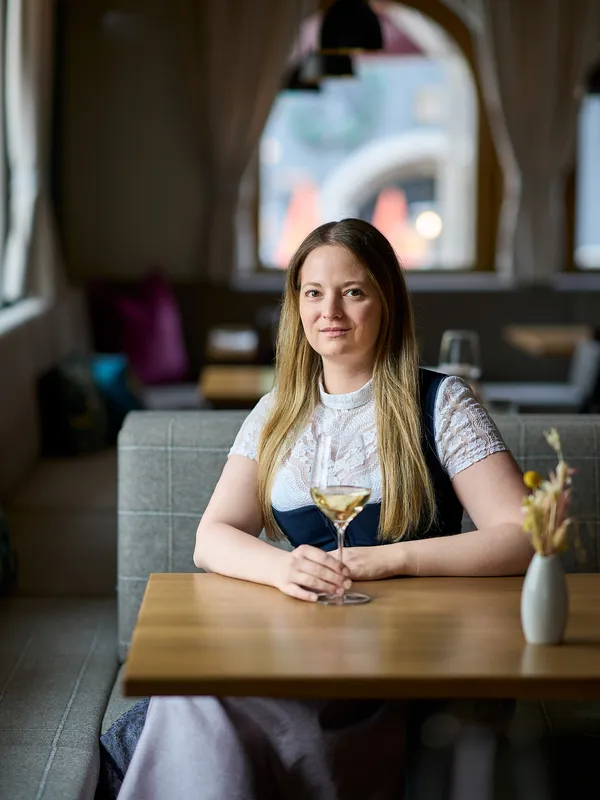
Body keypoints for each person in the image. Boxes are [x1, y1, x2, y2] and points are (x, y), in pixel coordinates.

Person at [115, 219, 532, 800]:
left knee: (197, 706)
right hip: (297, 652)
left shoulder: (443, 401)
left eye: (353, 291)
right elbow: (212, 537)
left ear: (387, 301)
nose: (329, 309)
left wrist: (389, 562)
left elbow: (522, 535)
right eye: (313, 292)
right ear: (296, 305)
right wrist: (283, 569)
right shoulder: (275, 411)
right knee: (193, 693)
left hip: (407, 663)